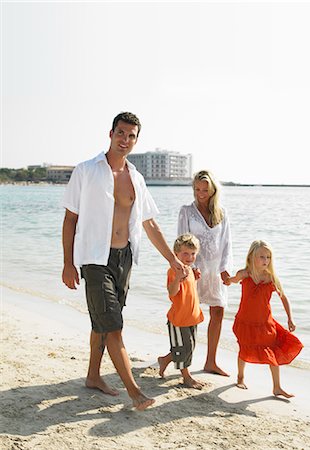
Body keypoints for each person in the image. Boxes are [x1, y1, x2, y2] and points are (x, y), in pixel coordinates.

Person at [62, 111, 186, 411]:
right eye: (121, 133)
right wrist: (67, 262)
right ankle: (135, 392)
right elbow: (70, 219)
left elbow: (150, 224)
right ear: (111, 133)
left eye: (131, 136)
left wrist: (173, 260)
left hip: (124, 258)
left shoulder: (137, 178)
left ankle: (93, 376)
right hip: (94, 259)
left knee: (102, 323)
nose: (125, 140)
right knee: (114, 325)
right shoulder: (86, 170)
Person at [226, 240, 303, 398]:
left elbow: (284, 297)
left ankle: (277, 387)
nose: (265, 260)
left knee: (271, 352)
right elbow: (232, 280)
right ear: (252, 257)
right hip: (245, 321)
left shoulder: (271, 278)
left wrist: (290, 319)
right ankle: (240, 378)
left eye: (268, 257)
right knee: (244, 348)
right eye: (262, 256)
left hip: (264, 324)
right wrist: (227, 280)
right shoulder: (244, 274)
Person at [178, 170, 233, 376]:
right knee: (189, 316)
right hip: (195, 271)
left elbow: (226, 243)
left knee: (217, 313)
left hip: (215, 271)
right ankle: (177, 359)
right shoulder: (186, 211)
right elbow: (181, 241)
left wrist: (225, 269)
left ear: (213, 190)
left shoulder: (222, 213)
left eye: (205, 190)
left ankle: (211, 362)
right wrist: (188, 269)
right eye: (197, 189)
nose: (200, 193)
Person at [158, 234, 205, 389]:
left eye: (193, 254)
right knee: (183, 349)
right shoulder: (174, 271)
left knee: (189, 347)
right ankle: (186, 377)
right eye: (185, 253)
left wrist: (194, 276)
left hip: (191, 316)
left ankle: (165, 360)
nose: (190, 257)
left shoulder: (190, 270)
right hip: (178, 319)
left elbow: (189, 290)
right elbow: (172, 292)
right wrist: (178, 278)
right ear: (176, 254)